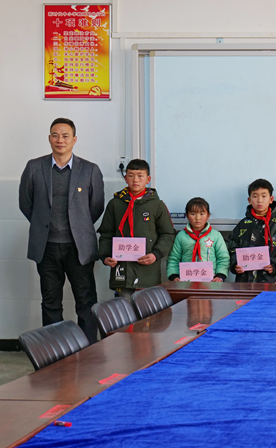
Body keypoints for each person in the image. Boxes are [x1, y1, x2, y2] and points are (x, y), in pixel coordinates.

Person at [19, 118, 104, 343]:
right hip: (46, 247)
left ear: (74, 140)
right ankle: (56, 353)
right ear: (49, 138)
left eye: (65, 136)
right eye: (55, 135)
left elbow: (96, 207)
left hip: (79, 247)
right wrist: (42, 225)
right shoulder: (34, 167)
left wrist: (78, 226)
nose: (60, 140)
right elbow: (26, 203)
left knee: (86, 301)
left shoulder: (90, 169)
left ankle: (88, 350)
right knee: (50, 302)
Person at [97, 159, 176, 299]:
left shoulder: (157, 205)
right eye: (131, 175)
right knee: (124, 309)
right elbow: (106, 233)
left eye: (140, 176)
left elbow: (168, 234)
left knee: (148, 311)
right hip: (122, 271)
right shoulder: (115, 204)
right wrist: (105, 256)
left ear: (148, 179)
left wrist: (155, 254)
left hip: (148, 273)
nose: (135, 180)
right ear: (125, 178)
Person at [227, 179, 276, 284]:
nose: (259, 200)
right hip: (246, 281)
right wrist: (235, 264)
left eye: (264, 196)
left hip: (273, 281)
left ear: (271, 199)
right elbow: (232, 246)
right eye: (255, 196)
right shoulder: (243, 224)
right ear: (249, 200)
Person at [167, 198, 229, 282]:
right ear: (187, 215)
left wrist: (220, 276)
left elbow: (223, 258)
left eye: (202, 214)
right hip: (186, 282)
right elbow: (174, 258)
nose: (197, 218)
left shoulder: (216, 235)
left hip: (211, 282)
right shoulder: (181, 236)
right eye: (193, 214)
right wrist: (174, 276)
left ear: (208, 216)